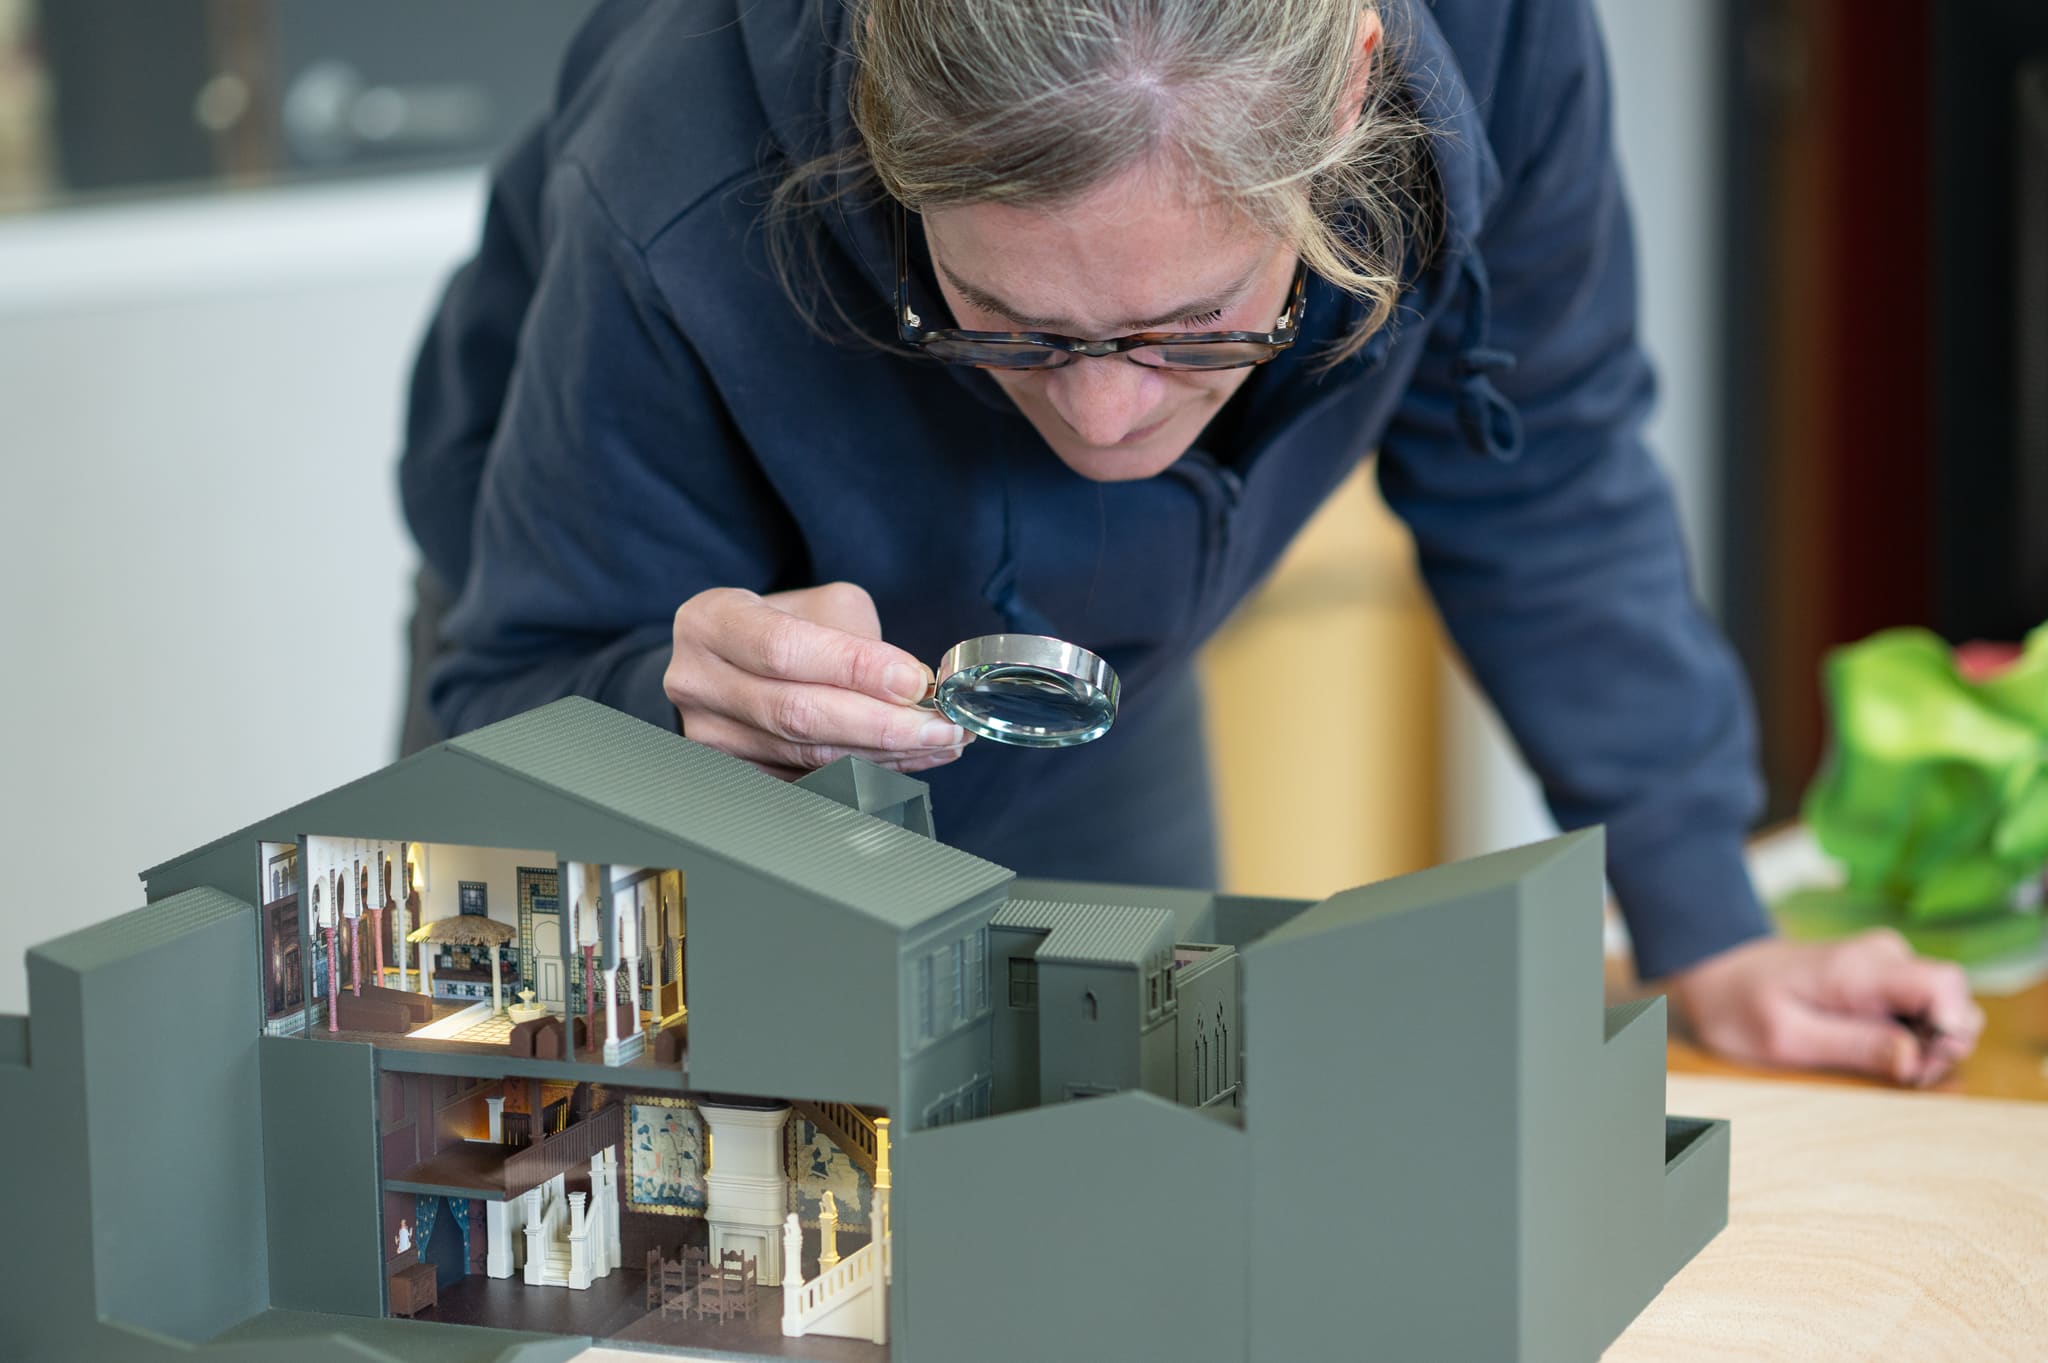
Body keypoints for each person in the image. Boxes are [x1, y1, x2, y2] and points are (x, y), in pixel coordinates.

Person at [398, 0, 1982, 1083]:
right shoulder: (676, 176)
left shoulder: (1495, 42)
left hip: (1091, 680)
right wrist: (662, 717)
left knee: (1134, 1195)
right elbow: (506, 712)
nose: (1103, 426)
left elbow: (1542, 458)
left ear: (1358, 91)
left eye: (1196, 327)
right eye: (1005, 321)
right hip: (680, 691)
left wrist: (1708, 922)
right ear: (882, 135)